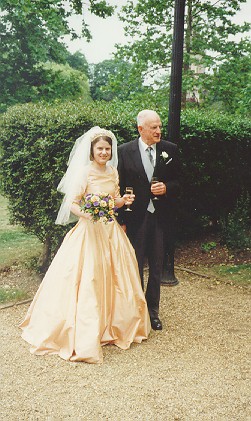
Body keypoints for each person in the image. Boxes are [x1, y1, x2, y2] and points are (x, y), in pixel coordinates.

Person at [20, 126, 150, 364]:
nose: (104, 152)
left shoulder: (112, 172)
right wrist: (88, 215)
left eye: (107, 149)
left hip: (110, 230)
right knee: (89, 277)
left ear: (111, 152)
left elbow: (114, 202)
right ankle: (88, 328)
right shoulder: (84, 173)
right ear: (92, 151)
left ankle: (114, 325)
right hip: (89, 231)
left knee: (117, 275)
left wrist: (123, 201)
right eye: (100, 148)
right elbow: (72, 203)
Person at [118, 110, 180, 331]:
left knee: (155, 266)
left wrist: (167, 188)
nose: (158, 131)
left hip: (160, 218)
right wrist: (121, 220)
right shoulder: (124, 152)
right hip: (134, 219)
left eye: (160, 126)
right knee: (134, 266)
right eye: (153, 127)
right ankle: (136, 312)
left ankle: (153, 312)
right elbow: (118, 186)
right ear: (140, 129)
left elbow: (180, 182)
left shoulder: (169, 150)